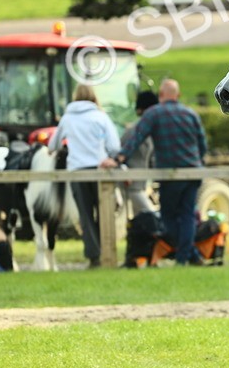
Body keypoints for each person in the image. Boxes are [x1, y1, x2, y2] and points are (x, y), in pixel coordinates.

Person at [102, 79, 208, 265]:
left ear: (160, 95)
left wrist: (118, 159)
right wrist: (198, 162)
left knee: (167, 217)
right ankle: (188, 256)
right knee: (188, 215)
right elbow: (202, 145)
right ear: (178, 95)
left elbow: (136, 139)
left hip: (170, 174)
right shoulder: (191, 114)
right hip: (193, 172)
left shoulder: (154, 114)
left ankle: (186, 255)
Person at [49, 83, 121, 269]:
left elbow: (53, 145)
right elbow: (114, 146)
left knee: (86, 215)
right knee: (104, 213)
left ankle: (93, 256)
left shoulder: (68, 118)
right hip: (100, 170)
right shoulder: (100, 116)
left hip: (77, 171)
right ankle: (108, 252)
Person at [120, 90, 159, 217]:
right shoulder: (132, 131)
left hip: (143, 186)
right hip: (132, 187)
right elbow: (119, 156)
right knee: (153, 218)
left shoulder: (153, 130)